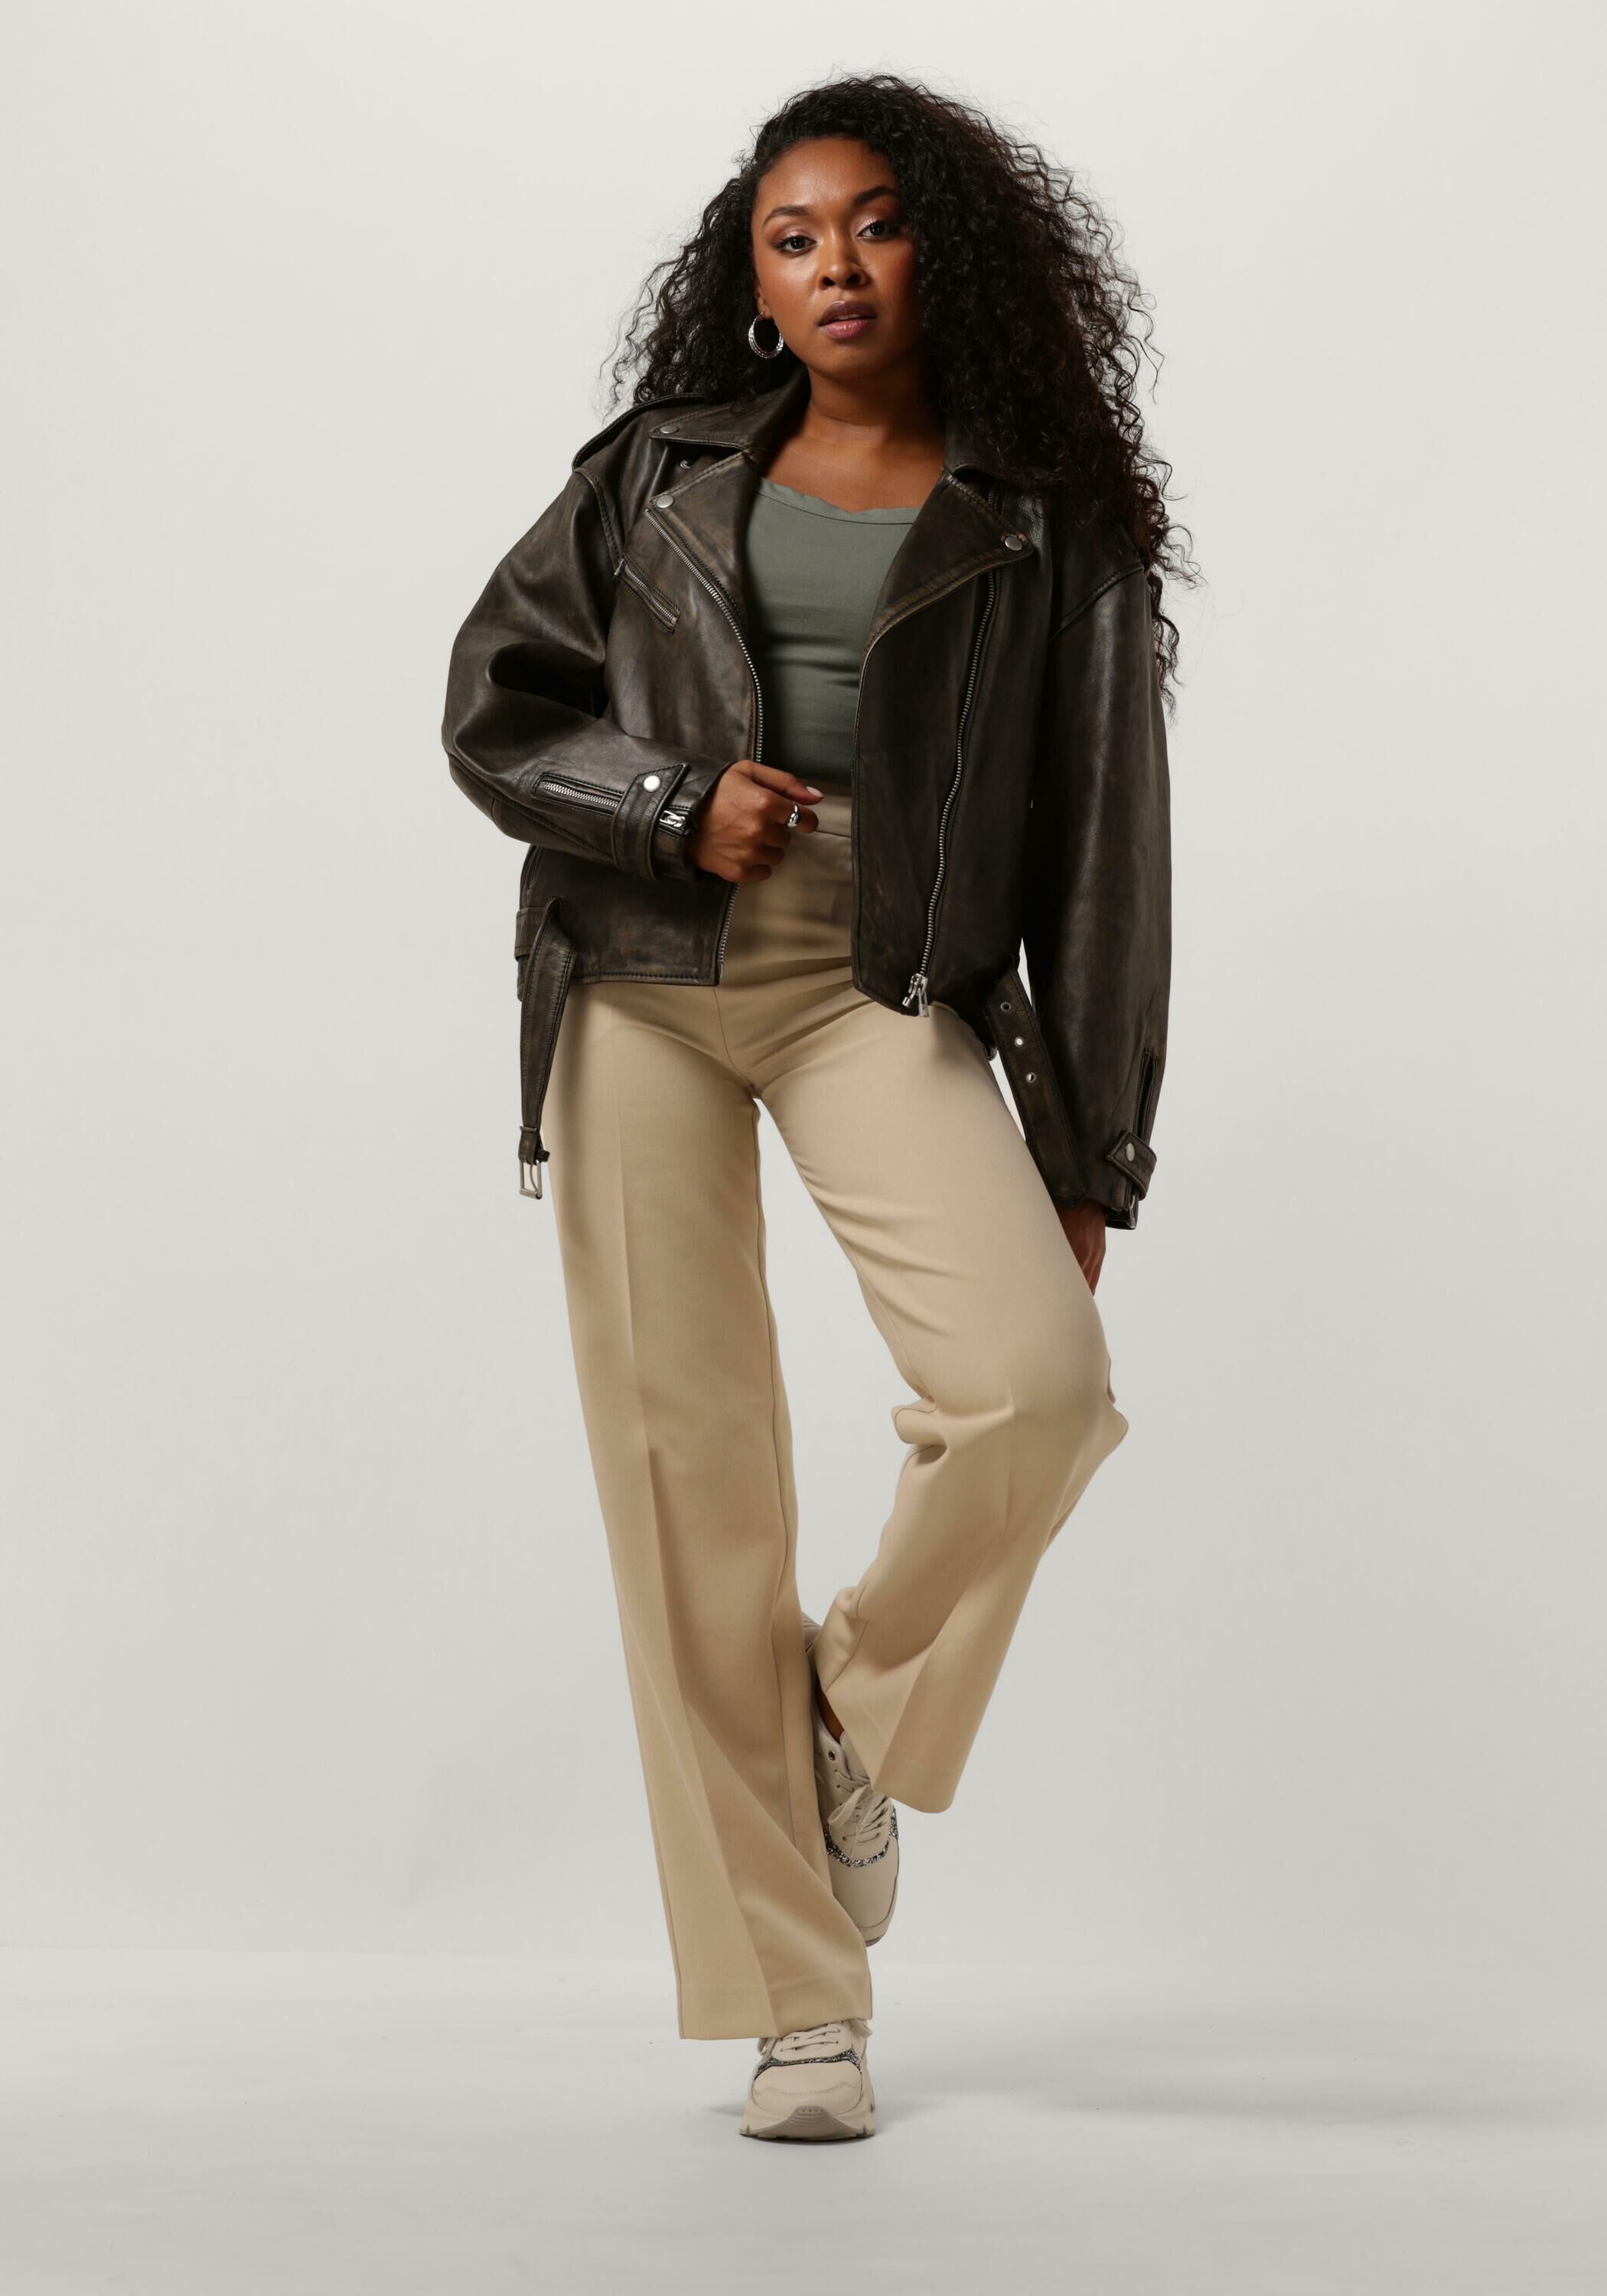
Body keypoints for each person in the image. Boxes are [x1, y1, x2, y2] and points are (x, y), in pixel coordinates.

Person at [441, 71, 1194, 2142]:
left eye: (875, 223)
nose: (837, 264)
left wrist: (1089, 1149)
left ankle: (848, 1719)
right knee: (688, 1481)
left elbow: (1107, 853)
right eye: (794, 237)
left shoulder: (1050, 516)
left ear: (949, 251)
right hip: (645, 969)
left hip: (883, 976)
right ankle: (799, 2011)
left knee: (1033, 1388)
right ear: (753, 284)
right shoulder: (659, 468)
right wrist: (672, 800)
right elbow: (496, 707)